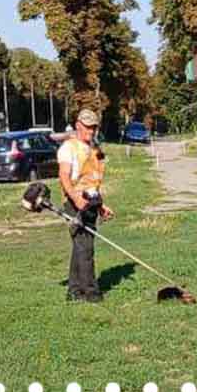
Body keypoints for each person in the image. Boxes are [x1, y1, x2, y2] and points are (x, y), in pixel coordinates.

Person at [58, 108, 113, 303]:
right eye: (87, 126)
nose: (91, 130)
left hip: (91, 201)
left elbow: (94, 180)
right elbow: (64, 176)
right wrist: (75, 198)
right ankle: (91, 292)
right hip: (75, 203)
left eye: (94, 127)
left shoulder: (95, 150)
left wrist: (101, 205)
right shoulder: (68, 148)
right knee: (85, 248)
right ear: (78, 125)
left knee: (80, 247)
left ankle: (74, 291)